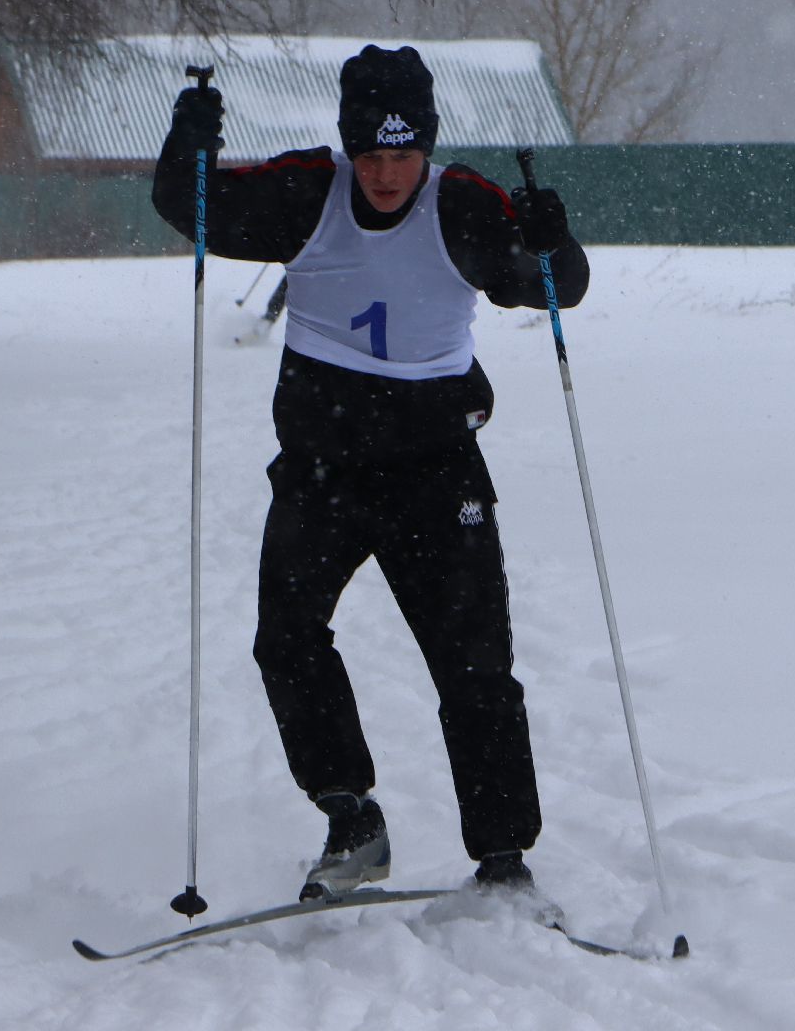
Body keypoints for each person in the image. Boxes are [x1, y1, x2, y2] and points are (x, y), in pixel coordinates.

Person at [152, 44, 589, 901]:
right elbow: (193, 206)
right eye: (372, 155)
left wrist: (552, 240)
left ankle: (502, 856)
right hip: (325, 471)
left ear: (426, 146)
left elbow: (556, 286)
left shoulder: (460, 205)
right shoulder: (307, 192)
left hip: (437, 473)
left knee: (473, 666)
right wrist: (189, 138)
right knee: (286, 639)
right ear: (349, 147)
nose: (387, 174)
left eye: (403, 153)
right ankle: (352, 819)